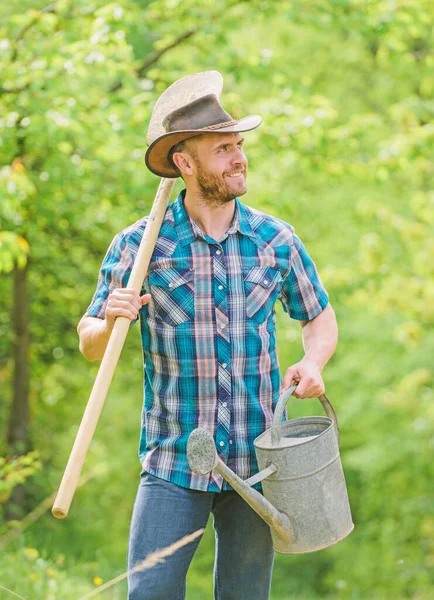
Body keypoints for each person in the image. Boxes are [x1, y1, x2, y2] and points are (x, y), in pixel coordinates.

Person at [77, 87, 338, 600]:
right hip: (174, 459)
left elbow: (319, 316)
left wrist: (313, 360)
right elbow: (90, 343)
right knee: (149, 594)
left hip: (257, 463)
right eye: (223, 149)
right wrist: (110, 321)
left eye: (239, 145)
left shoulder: (275, 240)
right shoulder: (140, 246)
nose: (239, 158)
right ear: (185, 163)